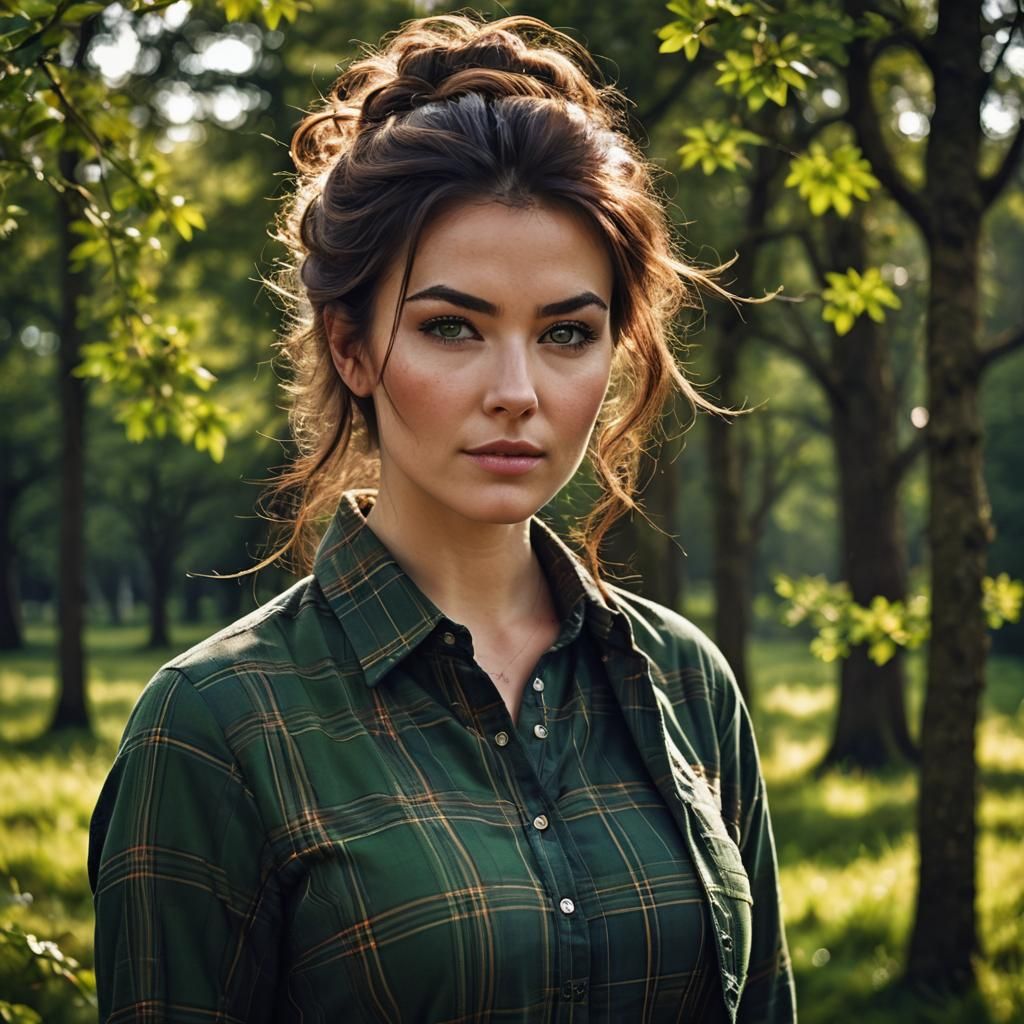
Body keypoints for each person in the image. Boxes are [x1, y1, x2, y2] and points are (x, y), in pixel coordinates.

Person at [88, 12, 796, 1023]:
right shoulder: (215, 728)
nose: (517, 390)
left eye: (564, 333)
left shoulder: (686, 683)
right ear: (352, 347)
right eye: (452, 327)